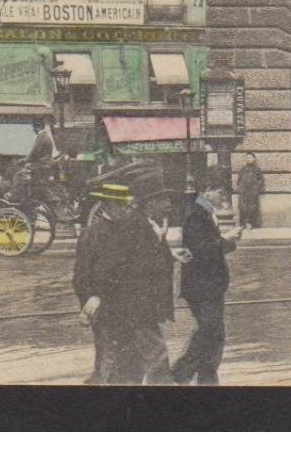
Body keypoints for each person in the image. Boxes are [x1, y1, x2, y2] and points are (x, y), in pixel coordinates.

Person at [74, 181, 178, 384]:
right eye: (120, 205)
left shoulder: (128, 228)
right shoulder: (93, 233)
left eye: (127, 204)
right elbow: (83, 274)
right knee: (109, 361)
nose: (126, 208)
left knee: (126, 364)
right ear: (106, 205)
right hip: (105, 308)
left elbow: (135, 264)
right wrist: (93, 296)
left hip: (126, 308)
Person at [171, 186, 243, 385]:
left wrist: (229, 241)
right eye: (221, 192)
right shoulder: (196, 214)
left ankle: (206, 380)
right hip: (202, 285)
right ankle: (181, 373)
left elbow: (209, 247)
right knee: (211, 331)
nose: (223, 197)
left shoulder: (204, 212)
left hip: (207, 284)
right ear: (207, 190)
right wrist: (226, 239)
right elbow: (200, 250)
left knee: (214, 333)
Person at [235, 154, 264, 229]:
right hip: (243, 192)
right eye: (247, 157)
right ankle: (243, 224)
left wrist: (256, 188)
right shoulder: (243, 169)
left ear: (254, 159)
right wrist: (240, 187)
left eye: (250, 157)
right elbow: (239, 179)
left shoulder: (257, 169)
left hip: (252, 192)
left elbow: (261, 180)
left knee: (252, 208)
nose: (248, 159)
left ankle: (252, 224)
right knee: (243, 207)